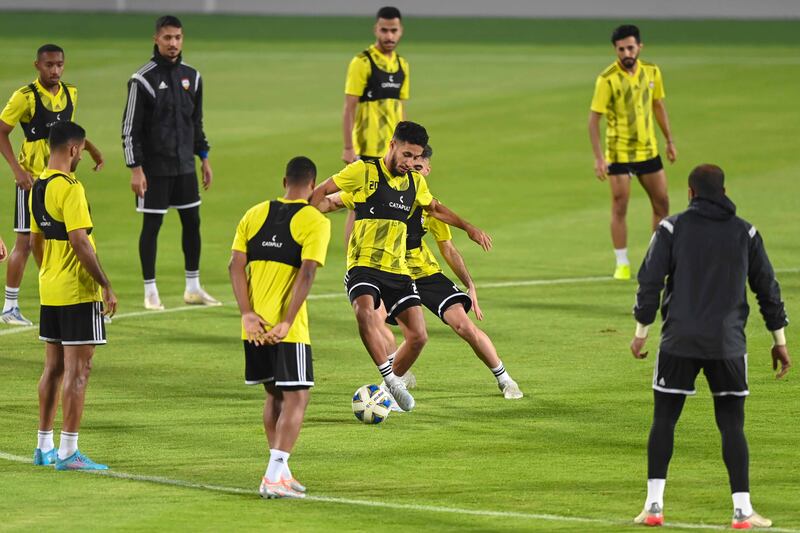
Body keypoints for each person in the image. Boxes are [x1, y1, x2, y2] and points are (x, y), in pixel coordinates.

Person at [629, 164, 790, 529]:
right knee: (732, 425)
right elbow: (768, 289)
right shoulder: (745, 232)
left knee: (664, 420)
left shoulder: (671, 228)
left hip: (679, 340)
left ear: (690, 193)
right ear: (724, 191)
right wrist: (780, 341)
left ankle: (654, 507)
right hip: (728, 343)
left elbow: (650, 279)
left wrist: (641, 330)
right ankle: (741, 510)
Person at [311, 121, 492, 412]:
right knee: (365, 312)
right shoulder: (364, 171)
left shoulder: (415, 183)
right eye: (407, 155)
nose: (411, 162)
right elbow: (323, 193)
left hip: (397, 270)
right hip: (364, 264)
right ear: (392, 144)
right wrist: (302, 215)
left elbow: (435, 209)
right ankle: (392, 381)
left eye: (416, 157)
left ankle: (391, 381)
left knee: (419, 337)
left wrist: (467, 227)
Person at [229, 156, 331, 499]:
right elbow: (307, 272)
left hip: (254, 326)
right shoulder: (314, 220)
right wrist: (287, 320)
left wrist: (246, 314)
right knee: (297, 397)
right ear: (312, 186)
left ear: (284, 181)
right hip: (288, 329)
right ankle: (273, 476)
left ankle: (281, 472)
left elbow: (234, 266)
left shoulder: (253, 213)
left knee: (274, 395)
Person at [29, 121, 117, 471]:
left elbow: (36, 240)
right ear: (74, 149)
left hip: (50, 287)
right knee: (79, 371)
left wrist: (49, 270)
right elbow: (80, 241)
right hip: (78, 291)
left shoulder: (37, 185)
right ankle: (68, 452)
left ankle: (43, 446)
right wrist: (106, 284)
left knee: (52, 369)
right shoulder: (71, 187)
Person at [0, 44, 104, 326]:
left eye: (59, 64)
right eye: (49, 65)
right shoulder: (25, 97)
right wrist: (17, 170)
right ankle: (10, 305)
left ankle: (56, 292)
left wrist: (90, 148)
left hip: (60, 181)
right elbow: (1, 131)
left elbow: (68, 130)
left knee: (60, 239)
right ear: (37, 66)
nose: (55, 70)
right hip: (32, 180)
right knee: (24, 241)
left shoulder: (71, 93)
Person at [121, 14, 218, 310]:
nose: (173, 43)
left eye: (177, 37)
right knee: (152, 226)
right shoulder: (142, 80)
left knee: (193, 222)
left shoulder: (193, 77)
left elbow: (195, 123)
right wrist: (136, 169)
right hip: (155, 169)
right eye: (167, 38)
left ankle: (193, 288)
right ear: (156, 39)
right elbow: (130, 129)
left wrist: (204, 158)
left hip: (185, 167)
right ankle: (150, 291)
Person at [589, 24, 676, 280]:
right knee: (620, 205)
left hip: (648, 150)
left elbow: (658, 106)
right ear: (615, 50)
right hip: (619, 152)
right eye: (621, 49)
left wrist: (669, 140)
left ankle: (654, 259)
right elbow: (594, 119)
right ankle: (622, 262)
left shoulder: (652, 72)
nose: (626, 52)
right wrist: (599, 157)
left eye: (630, 47)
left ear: (639, 47)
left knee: (662, 203)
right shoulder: (607, 79)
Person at [341, 6, 410, 245]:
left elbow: (400, 107)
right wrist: (349, 148)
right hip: (367, 148)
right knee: (357, 204)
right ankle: (353, 261)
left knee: (391, 202)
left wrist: (406, 145)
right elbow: (349, 107)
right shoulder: (363, 63)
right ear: (375, 30)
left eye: (393, 30)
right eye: (384, 30)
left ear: (401, 31)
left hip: (392, 150)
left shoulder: (402, 65)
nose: (389, 36)